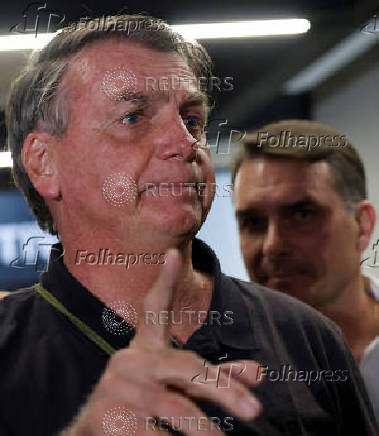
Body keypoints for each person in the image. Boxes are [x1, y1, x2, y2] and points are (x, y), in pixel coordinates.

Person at [0, 16, 377, 436]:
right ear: (43, 163)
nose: (186, 144)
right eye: (133, 118)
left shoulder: (307, 339)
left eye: (192, 119)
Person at [232, 119, 379, 426]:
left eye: (302, 215)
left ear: (362, 225)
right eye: (254, 223)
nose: (273, 246)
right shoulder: (227, 372)